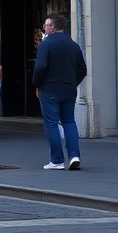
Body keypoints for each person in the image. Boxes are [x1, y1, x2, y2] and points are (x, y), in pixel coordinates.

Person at [32, 13, 87, 171]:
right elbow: (82, 69)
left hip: (49, 90)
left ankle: (56, 160)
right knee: (69, 121)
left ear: (52, 27)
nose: (45, 28)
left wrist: (37, 84)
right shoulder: (73, 45)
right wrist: (72, 83)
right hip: (69, 90)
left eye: (46, 25)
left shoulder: (46, 44)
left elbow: (40, 67)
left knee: (51, 124)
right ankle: (74, 156)